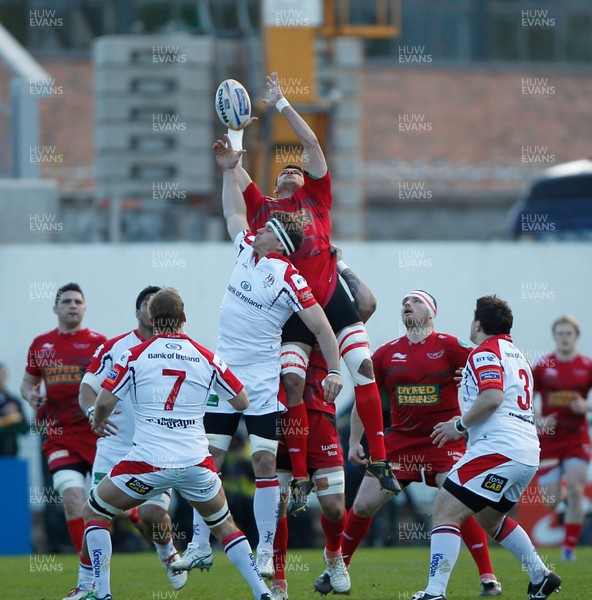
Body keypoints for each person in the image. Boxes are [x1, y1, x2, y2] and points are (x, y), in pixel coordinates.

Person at [221, 72, 398, 509]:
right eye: (285, 169)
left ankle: (378, 456)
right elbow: (234, 180)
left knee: (364, 367)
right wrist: (233, 135)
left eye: (298, 169)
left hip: (329, 296)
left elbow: (313, 146)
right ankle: (299, 475)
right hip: (294, 310)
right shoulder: (265, 209)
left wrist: (281, 102)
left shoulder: (318, 198)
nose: (292, 170)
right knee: (293, 384)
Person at [172, 152, 343, 581]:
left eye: (266, 227)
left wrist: (336, 371)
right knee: (205, 462)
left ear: (278, 242)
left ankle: (266, 550)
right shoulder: (247, 248)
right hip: (225, 377)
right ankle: (199, 544)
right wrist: (231, 166)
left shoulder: (290, 278)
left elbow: (323, 329)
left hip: (263, 383)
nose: (257, 225)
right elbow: (231, 208)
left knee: (265, 465)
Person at [81, 287, 272, 600]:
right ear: (184, 318)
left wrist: (98, 418)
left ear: (153, 320)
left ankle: (101, 594)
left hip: (148, 464)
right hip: (196, 464)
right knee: (225, 526)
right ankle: (261, 592)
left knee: (95, 512)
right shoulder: (206, 356)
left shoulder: (134, 355)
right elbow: (241, 400)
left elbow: (103, 401)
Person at [319, 291, 502, 596]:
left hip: (443, 440)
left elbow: (488, 379)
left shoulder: (452, 346)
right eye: (403, 301)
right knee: (362, 505)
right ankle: (336, 570)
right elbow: (366, 400)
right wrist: (353, 441)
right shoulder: (386, 353)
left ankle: (487, 576)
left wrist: (467, 378)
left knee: (458, 504)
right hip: (400, 445)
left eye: (415, 301)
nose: (407, 304)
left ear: (432, 312)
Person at [412, 295, 561, 600]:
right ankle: (540, 576)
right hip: (526, 453)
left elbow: (492, 398)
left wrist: (458, 426)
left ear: (478, 323)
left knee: (444, 510)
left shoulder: (484, 352)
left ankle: (434, 592)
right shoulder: (516, 355)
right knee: (488, 518)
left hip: (498, 449)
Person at [271, 245, 378, 600]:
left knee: (333, 506)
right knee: (277, 505)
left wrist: (341, 263)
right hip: (276, 418)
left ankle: (334, 557)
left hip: (319, 418)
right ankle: (279, 582)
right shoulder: (277, 313)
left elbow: (367, 305)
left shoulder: (327, 319)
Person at [68, 286, 187, 598]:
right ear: (138, 314)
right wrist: (94, 412)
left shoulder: (178, 348)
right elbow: (87, 388)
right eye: (148, 305)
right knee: (95, 511)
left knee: (151, 516)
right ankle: (86, 584)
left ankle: (166, 552)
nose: (153, 311)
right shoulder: (116, 347)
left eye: (157, 306)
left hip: (158, 447)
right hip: (114, 445)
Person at [20, 283, 106, 598]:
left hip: (97, 436)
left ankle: (138, 518)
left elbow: (112, 387)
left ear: (85, 309)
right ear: (56, 308)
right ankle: (90, 576)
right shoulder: (41, 345)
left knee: (108, 507)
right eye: (66, 301)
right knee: (73, 498)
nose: (72, 306)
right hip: (59, 437)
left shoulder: (100, 345)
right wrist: (30, 394)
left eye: (78, 302)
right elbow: (27, 384)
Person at [533, 315, 592, 561]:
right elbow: (525, 398)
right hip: (549, 439)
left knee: (578, 489)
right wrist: (538, 419)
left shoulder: (587, 366)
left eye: (569, 333)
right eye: (560, 333)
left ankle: (568, 548)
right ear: (555, 336)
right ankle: (563, 497)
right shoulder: (544, 365)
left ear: (576, 336)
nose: (564, 337)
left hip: (577, 438)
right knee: (550, 500)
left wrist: (587, 405)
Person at [0, 363, 27, 456]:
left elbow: (24, 428)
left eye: (2, 375)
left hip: (10, 452)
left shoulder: (14, 401)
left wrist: (16, 418)